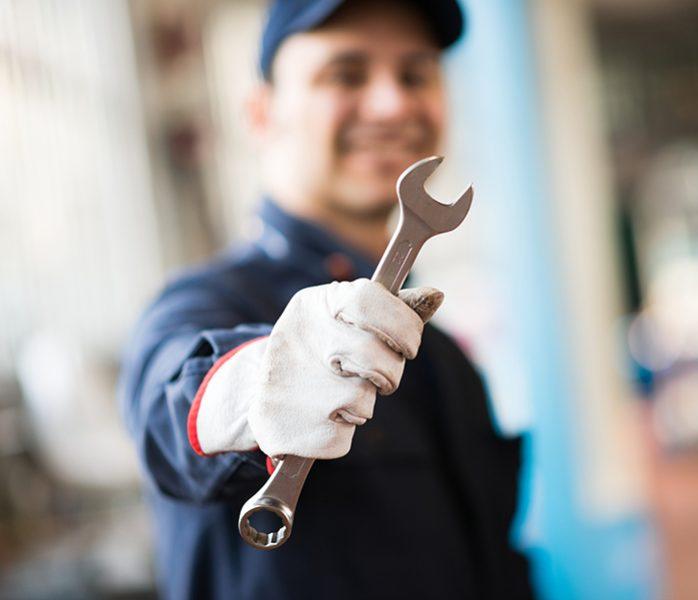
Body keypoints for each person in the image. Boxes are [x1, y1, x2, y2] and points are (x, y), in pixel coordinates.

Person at [119, 0, 533, 598]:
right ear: (262, 115)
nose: (392, 104)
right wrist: (253, 386)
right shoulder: (205, 302)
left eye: (415, 74)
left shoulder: (443, 357)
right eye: (346, 73)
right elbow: (168, 401)